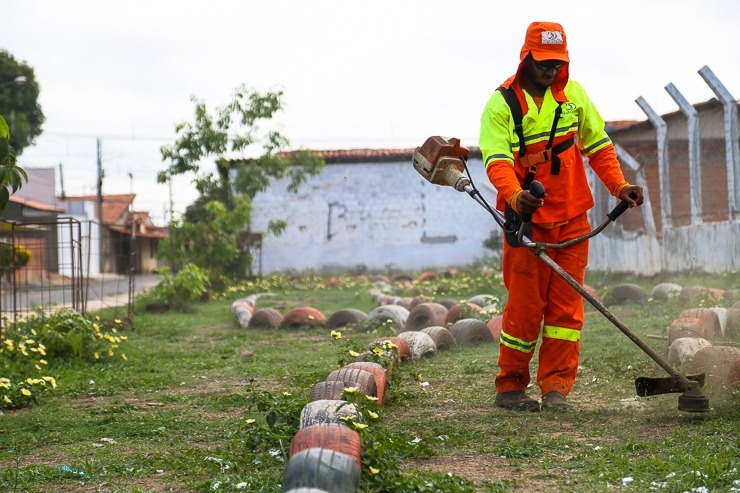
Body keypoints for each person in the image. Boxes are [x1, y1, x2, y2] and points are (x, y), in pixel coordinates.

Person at [479, 21, 644, 411]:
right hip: (528, 222)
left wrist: (620, 186)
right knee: (524, 308)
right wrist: (516, 196)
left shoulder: (573, 95)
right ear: (526, 58)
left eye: (557, 63)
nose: (550, 71)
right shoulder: (502, 105)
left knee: (566, 310)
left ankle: (556, 389)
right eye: (543, 63)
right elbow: (497, 161)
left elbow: (599, 145)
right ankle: (511, 388)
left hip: (572, 218)